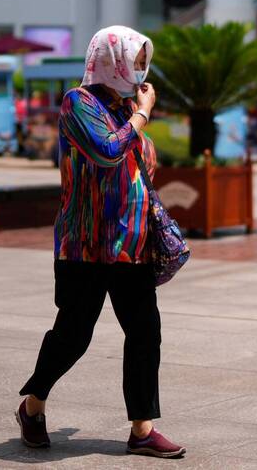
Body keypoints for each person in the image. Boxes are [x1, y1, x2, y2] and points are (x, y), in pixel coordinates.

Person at [16, 26, 185, 459]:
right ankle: (33, 407)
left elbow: (141, 161)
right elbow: (106, 150)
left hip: (132, 244)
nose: (141, 70)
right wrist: (142, 117)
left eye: (144, 61)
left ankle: (142, 429)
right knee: (73, 335)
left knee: (145, 331)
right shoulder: (79, 102)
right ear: (111, 59)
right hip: (85, 244)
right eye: (135, 59)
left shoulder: (127, 107)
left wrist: (137, 120)